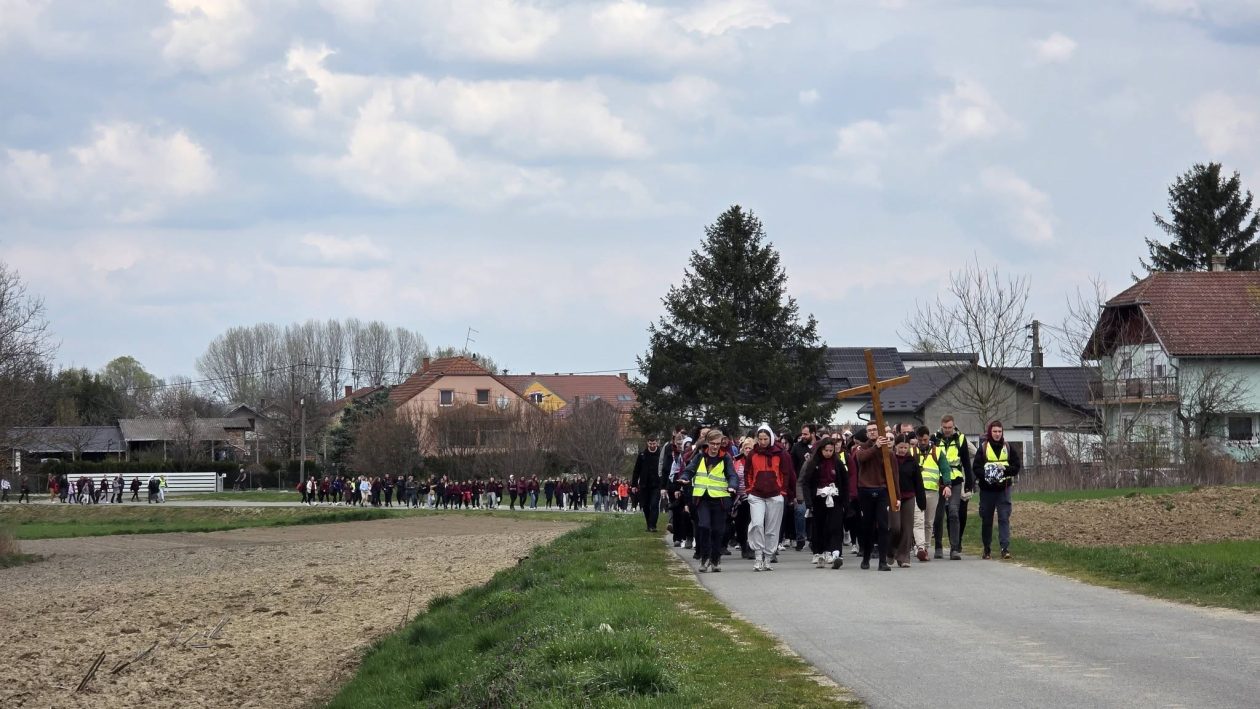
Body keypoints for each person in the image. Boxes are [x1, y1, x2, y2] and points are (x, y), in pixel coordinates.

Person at [680, 429, 738, 573]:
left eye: (718, 444)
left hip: (720, 500)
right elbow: (689, 470)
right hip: (702, 498)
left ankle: (715, 559)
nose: (714, 447)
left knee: (718, 530)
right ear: (707, 443)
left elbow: (732, 475)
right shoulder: (700, 457)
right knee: (704, 527)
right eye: (712, 443)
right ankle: (705, 558)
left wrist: (732, 486)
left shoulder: (726, 458)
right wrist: (685, 477)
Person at [745, 425, 795, 571]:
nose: (762, 442)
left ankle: (768, 558)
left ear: (771, 438)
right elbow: (747, 472)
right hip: (756, 494)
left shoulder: (781, 454)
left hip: (775, 494)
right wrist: (749, 489)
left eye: (765, 439)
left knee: (772, 529)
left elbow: (786, 473)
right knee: (757, 524)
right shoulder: (752, 454)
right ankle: (758, 556)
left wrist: (783, 491)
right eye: (760, 439)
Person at [797, 437, 848, 569]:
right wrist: (808, 502)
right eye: (826, 450)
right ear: (821, 450)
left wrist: (845, 501)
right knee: (819, 526)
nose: (828, 453)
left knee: (835, 526)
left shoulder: (837, 463)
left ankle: (835, 552)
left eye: (831, 450)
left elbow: (845, 481)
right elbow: (806, 483)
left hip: (834, 498)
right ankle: (818, 552)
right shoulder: (813, 463)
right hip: (818, 499)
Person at [973, 420, 1020, 560]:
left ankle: (1005, 548)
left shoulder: (1009, 448)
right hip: (987, 491)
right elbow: (976, 468)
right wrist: (988, 475)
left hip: (1003, 490)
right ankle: (987, 549)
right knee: (987, 519)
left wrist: (1004, 471)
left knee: (1004, 518)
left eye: (999, 431)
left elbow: (1016, 467)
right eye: (995, 431)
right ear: (990, 432)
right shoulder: (982, 448)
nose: (997, 434)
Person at [933, 415, 974, 559]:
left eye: (950, 428)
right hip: (938, 479)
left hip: (956, 478)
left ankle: (954, 548)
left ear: (954, 426)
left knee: (954, 512)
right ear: (941, 426)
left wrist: (969, 481)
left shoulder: (960, 439)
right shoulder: (934, 439)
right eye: (945, 428)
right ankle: (938, 546)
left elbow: (966, 462)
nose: (948, 430)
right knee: (938, 515)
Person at [854, 422, 893, 571]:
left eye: (874, 430)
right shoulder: (862, 447)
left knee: (883, 527)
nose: (871, 432)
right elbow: (862, 458)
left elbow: (893, 473)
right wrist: (875, 446)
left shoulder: (886, 449)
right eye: (869, 430)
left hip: (882, 490)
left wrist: (896, 496)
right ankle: (866, 558)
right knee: (867, 526)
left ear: (879, 431)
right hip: (865, 491)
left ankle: (883, 561)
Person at [915, 426, 955, 560]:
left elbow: (945, 469)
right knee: (918, 521)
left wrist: (948, 485)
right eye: (920, 440)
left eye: (925, 439)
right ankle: (920, 547)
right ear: (917, 439)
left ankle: (925, 547)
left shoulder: (937, 452)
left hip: (933, 491)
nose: (923, 442)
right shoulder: (912, 451)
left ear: (929, 438)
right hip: (916, 492)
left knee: (928, 522)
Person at [889, 435, 927, 568]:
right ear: (895, 447)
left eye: (906, 447)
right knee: (895, 528)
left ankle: (904, 556)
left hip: (909, 496)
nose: (903, 450)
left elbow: (918, 482)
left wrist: (922, 502)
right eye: (900, 447)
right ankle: (891, 549)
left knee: (907, 528)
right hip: (894, 497)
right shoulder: (890, 460)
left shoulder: (912, 461)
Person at [787, 424, 816, 551]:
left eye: (806, 434)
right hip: (800, 484)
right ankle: (800, 538)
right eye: (802, 434)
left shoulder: (820, 447)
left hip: (815, 485)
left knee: (815, 512)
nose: (802, 436)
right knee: (800, 511)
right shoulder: (797, 448)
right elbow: (791, 467)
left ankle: (814, 539)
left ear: (813, 434)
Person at [631, 435, 662, 531]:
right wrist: (634, 484)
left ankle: (653, 525)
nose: (652, 445)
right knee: (645, 505)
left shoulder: (660, 454)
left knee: (654, 505)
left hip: (657, 485)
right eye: (650, 443)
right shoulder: (642, 455)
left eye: (654, 443)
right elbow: (636, 471)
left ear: (657, 443)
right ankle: (649, 524)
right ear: (647, 443)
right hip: (644, 485)